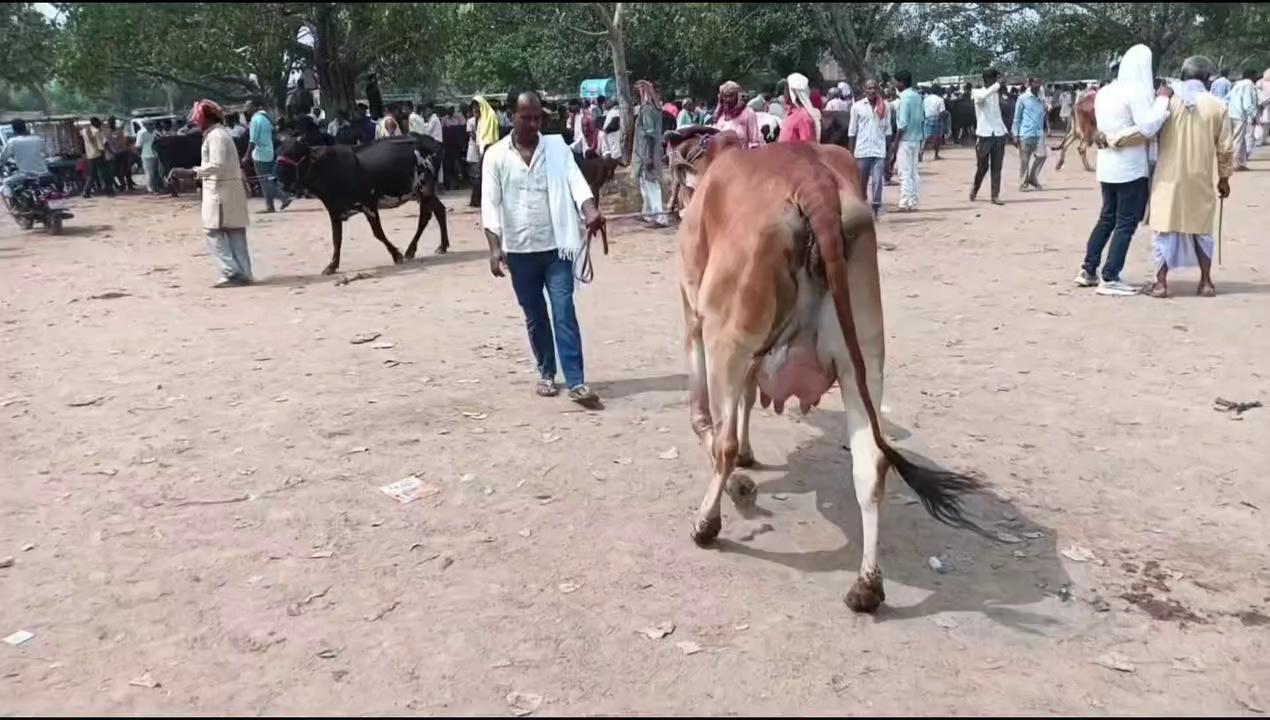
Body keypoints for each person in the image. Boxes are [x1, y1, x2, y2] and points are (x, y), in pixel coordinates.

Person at [481, 90, 605, 408]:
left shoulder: (556, 147)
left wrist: (589, 209)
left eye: (538, 117)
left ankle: (576, 381)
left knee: (563, 311)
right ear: (512, 116)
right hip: (520, 251)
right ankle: (547, 373)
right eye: (527, 117)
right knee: (535, 316)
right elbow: (490, 205)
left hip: (556, 248)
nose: (534, 123)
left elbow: (576, 182)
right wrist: (495, 248)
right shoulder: (495, 155)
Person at [1073, 44, 1172, 296]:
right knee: (1125, 223)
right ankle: (1111, 275)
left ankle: (1088, 269)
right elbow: (1148, 126)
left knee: (1107, 218)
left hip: (1107, 164)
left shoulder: (1106, 91)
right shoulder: (1136, 91)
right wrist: (1163, 100)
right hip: (1129, 167)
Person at [1139, 56, 1232, 299]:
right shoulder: (1217, 106)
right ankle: (1206, 282)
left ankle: (1161, 284)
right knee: (1202, 230)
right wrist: (1224, 178)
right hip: (1200, 177)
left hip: (1167, 177)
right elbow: (1225, 148)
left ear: (1183, 76)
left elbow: (1148, 132)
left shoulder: (1167, 102)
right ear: (1207, 78)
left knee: (1164, 230)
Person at [167, 101, 252, 287]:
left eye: (198, 119)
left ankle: (231, 273)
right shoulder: (220, 134)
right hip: (227, 189)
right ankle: (244, 272)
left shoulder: (216, 137)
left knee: (213, 232)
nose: (196, 123)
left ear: (206, 119)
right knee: (235, 232)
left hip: (220, 191)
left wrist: (190, 172)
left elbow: (217, 166)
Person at [847, 79, 891, 217]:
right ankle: (862, 207)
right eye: (869, 88)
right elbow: (852, 131)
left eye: (874, 88)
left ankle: (876, 208)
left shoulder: (885, 107)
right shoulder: (857, 107)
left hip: (879, 149)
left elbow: (888, 130)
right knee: (861, 182)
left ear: (878, 89)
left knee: (878, 181)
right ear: (864, 90)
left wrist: (889, 152)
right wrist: (850, 153)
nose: (872, 91)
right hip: (862, 150)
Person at [243, 98, 291, 213]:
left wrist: (247, 156)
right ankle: (270, 205)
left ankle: (282, 198)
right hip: (270, 152)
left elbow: (253, 140)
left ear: (255, 107)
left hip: (260, 154)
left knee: (265, 181)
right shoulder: (266, 118)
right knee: (269, 179)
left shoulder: (255, 120)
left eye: (248, 106)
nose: (246, 109)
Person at [970, 69, 1010, 205]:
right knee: (982, 167)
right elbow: (983, 97)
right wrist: (997, 85)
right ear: (989, 80)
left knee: (997, 167)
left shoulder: (996, 93)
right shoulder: (977, 92)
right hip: (984, 135)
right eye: (995, 79)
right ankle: (975, 188)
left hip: (998, 133)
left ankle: (995, 195)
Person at [634, 79, 666, 226]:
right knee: (645, 184)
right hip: (648, 152)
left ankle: (660, 217)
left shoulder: (646, 109)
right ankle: (649, 214)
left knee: (651, 184)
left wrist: (648, 157)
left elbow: (649, 134)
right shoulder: (656, 109)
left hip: (647, 152)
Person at [893, 70, 923, 211]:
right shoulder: (917, 96)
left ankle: (904, 203)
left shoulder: (904, 98)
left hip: (905, 139)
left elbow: (902, 123)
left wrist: (895, 143)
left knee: (904, 172)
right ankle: (913, 201)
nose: (895, 84)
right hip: (916, 138)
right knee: (913, 172)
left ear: (902, 83)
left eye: (896, 82)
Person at [1012, 76, 1048, 191]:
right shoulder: (1023, 98)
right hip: (1025, 133)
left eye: (1039, 83)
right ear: (1030, 84)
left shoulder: (1041, 99)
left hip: (1039, 133)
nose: (1038, 85)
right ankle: (1023, 183)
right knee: (1024, 160)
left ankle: (1033, 177)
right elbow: (1017, 118)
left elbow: (1043, 113)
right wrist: (1015, 134)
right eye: (1035, 83)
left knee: (1042, 156)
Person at [0, 119, 50, 194]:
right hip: (44, 173)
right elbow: (45, 153)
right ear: (25, 127)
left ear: (14, 129)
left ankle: (14, 203)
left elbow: (3, 157)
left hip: (25, 175)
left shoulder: (13, 141)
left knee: (6, 182)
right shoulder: (37, 139)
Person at [713, 81, 764, 148]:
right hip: (722, 156)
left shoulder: (748, 112)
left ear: (738, 95)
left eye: (731, 95)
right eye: (725, 96)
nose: (728, 99)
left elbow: (754, 141)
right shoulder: (720, 115)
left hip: (741, 155)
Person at [1227, 69, 1260, 169]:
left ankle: (1240, 162)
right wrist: (1253, 116)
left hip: (1231, 113)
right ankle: (1233, 164)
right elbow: (1247, 103)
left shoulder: (1237, 85)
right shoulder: (1249, 85)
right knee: (1238, 140)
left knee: (1240, 141)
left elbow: (1227, 98)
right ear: (1252, 76)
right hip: (1240, 115)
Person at [777, 73, 821, 144]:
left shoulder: (803, 117)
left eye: (786, 90)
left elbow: (807, 147)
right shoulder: (790, 113)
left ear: (792, 93)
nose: (784, 94)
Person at [80, 117, 113, 198]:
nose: (100, 125)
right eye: (99, 123)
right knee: (104, 172)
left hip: (90, 155)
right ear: (96, 123)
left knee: (92, 174)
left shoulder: (85, 131)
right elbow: (101, 145)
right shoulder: (97, 132)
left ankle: (86, 191)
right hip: (98, 154)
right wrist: (109, 152)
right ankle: (107, 190)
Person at [135, 120, 163, 194]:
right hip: (146, 155)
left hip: (156, 155)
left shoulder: (155, 132)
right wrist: (139, 156)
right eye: (150, 124)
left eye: (152, 124)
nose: (152, 126)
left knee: (157, 173)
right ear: (145, 125)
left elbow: (161, 139)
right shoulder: (141, 133)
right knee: (150, 173)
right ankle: (150, 189)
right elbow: (138, 146)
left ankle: (157, 187)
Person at [921, 85, 946, 160]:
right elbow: (942, 111)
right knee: (938, 138)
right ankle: (936, 155)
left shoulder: (925, 99)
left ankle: (921, 153)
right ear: (938, 91)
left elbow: (923, 110)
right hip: (937, 119)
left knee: (926, 138)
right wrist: (942, 120)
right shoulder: (940, 99)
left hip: (927, 118)